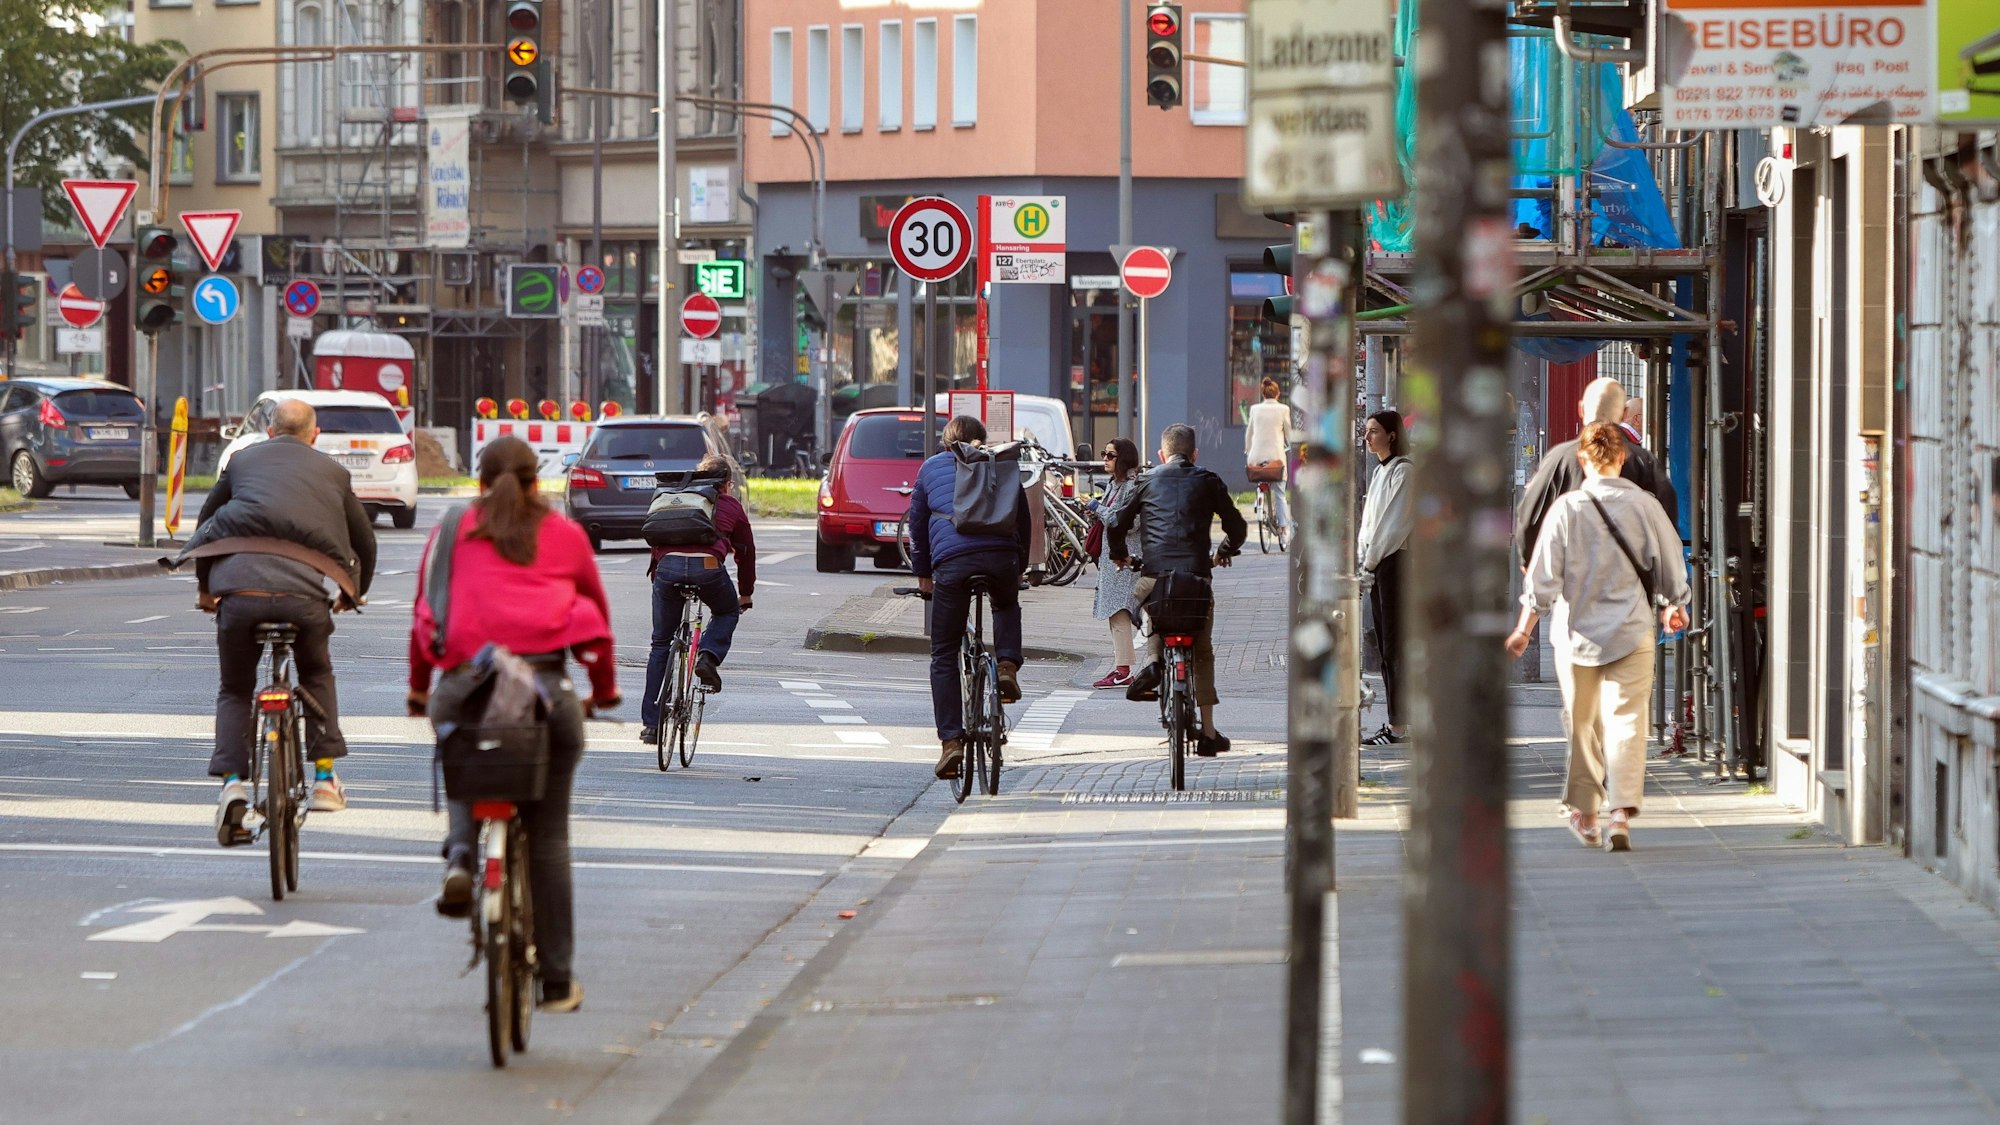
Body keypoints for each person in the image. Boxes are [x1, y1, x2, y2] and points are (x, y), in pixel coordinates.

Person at [408, 436, 619, 1013]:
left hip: (465, 688)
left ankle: (461, 855)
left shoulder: (451, 530)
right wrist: (603, 691)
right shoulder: (566, 535)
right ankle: (555, 981)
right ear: (537, 482)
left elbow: (426, 611)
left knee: (461, 748)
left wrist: (419, 688)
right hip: (546, 694)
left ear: (479, 483)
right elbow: (596, 626)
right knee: (548, 839)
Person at [179, 398, 375, 846]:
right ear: (315, 434)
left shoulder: (241, 461)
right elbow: (363, 541)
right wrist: (352, 591)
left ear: (269, 432)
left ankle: (232, 784)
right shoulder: (332, 472)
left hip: (239, 595)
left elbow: (208, 526)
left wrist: (206, 590)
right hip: (302, 601)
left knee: (234, 687)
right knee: (317, 672)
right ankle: (325, 779)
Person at [1506, 423, 1689, 852]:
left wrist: (1522, 630)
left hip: (1576, 635)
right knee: (1627, 721)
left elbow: (1543, 579)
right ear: (1622, 459)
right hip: (1631, 629)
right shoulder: (1645, 505)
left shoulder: (1567, 509)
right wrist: (1675, 605)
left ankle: (1587, 814)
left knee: (1582, 723)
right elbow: (1670, 562)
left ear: (1583, 460)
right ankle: (1621, 814)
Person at [1110, 423, 1248, 756]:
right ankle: (1209, 733)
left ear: (1161, 454)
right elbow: (1238, 527)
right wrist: (1224, 551)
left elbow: (1116, 523)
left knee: (1146, 606)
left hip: (1154, 576)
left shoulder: (1146, 481)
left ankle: (1155, 659)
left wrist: (1122, 557)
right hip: (1197, 579)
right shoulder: (1208, 480)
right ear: (1194, 454)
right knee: (1202, 650)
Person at [908, 415, 1031, 781]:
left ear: (947, 443)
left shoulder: (931, 469)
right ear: (982, 440)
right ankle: (1007, 667)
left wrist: (924, 575)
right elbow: (1022, 520)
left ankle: (951, 743)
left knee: (944, 652)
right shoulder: (1001, 464)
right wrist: (1018, 567)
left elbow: (917, 526)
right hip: (1001, 557)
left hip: (953, 565)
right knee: (1006, 603)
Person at [641, 454, 755, 742]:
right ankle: (707, 655)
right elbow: (745, 551)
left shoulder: (673, 496)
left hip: (667, 569)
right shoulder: (730, 504)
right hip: (708, 569)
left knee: (660, 644)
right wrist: (745, 593)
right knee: (727, 611)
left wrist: (660, 575)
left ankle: (652, 725)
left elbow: (656, 538)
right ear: (727, 484)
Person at [1516, 377, 1678, 570]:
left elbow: (1530, 515)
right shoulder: (1644, 461)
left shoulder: (1558, 459)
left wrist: (1529, 562)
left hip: (1572, 583)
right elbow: (1667, 521)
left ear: (1581, 409)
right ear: (1623, 413)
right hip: (1629, 585)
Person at [1357, 410, 1413, 746]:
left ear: (1392, 435)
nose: (1367, 437)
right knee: (1388, 647)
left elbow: (1392, 526)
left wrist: (1369, 563)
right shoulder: (1382, 471)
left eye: (1374, 431)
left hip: (1394, 565)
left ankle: (1399, 727)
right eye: (1366, 431)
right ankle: (1396, 723)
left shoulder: (1404, 472)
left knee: (1394, 645)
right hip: (1380, 565)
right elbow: (1370, 526)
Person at [1089, 437, 1144, 689]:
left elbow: (1128, 524)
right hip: (1114, 559)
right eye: (1104, 453)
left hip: (1125, 557)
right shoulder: (1116, 484)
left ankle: (1123, 670)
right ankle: (1123, 668)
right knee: (1116, 612)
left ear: (1123, 459)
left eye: (1110, 455)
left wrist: (1097, 508)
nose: (1105, 459)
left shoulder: (1131, 487)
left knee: (1119, 611)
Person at [1244, 377, 1294, 532]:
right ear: (1278, 394)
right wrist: (1291, 445)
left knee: (1261, 480)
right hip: (1276, 458)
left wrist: (1248, 450)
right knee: (1279, 493)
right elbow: (1289, 433)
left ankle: (1259, 500)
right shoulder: (1283, 409)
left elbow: (1249, 433)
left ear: (1263, 395)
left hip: (1256, 458)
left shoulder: (1255, 409)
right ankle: (1284, 529)